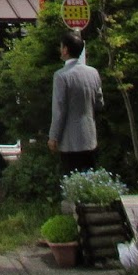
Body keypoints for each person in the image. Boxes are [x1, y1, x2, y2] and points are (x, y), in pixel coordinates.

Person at [49, 30, 104, 172]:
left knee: (71, 178)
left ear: (65, 49)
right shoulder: (93, 73)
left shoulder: (61, 76)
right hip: (90, 136)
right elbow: (99, 103)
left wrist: (53, 136)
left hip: (69, 140)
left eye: (61, 46)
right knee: (89, 178)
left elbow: (59, 110)